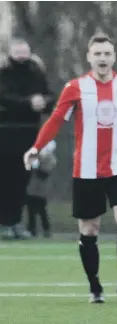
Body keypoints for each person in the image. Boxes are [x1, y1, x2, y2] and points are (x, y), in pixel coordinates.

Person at [23, 32, 117, 304]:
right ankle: (95, 286)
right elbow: (54, 121)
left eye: (107, 53)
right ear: (89, 57)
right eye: (97, 53)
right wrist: (36, 148)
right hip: (85, 172)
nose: (102, 58)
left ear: (114, 57)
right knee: (89, 230)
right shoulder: (75, 87)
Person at [0, 38, 54, 239]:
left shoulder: (36, 72)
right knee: (5, 179)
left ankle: (14, 222)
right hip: (5, 134)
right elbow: (4, 97)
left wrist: (44, 102)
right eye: (18, 53)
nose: (22, 57)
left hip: (29, 135)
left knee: (21, 180)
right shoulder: (4, 73)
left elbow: (49, 95)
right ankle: (4, 223)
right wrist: (28, 103)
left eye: (25, 52)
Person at [26, 140, 57, 238]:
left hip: (42, 190)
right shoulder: (34, 156)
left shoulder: (51, 159)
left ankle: (46, 230)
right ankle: (32, 230)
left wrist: (38, 162)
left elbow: (44, 173)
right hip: (32, 188)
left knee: (42, 210)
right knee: (30, 210)